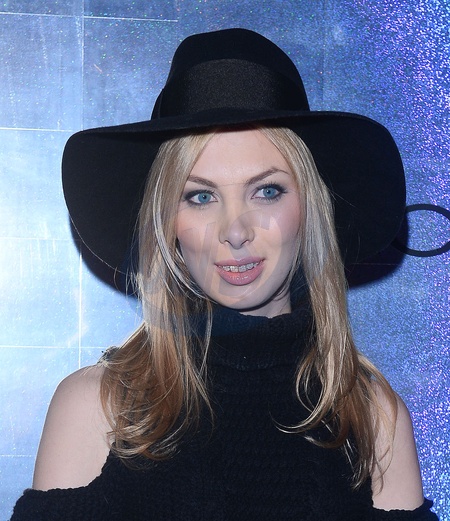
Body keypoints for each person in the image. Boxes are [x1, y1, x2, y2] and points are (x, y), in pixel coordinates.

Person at [12, 28, 438, 520]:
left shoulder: (372, 416)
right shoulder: (98, 407)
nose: (235, 231)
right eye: (201, 196)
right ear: (167, 223)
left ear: (311, 209)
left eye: (267, 191)